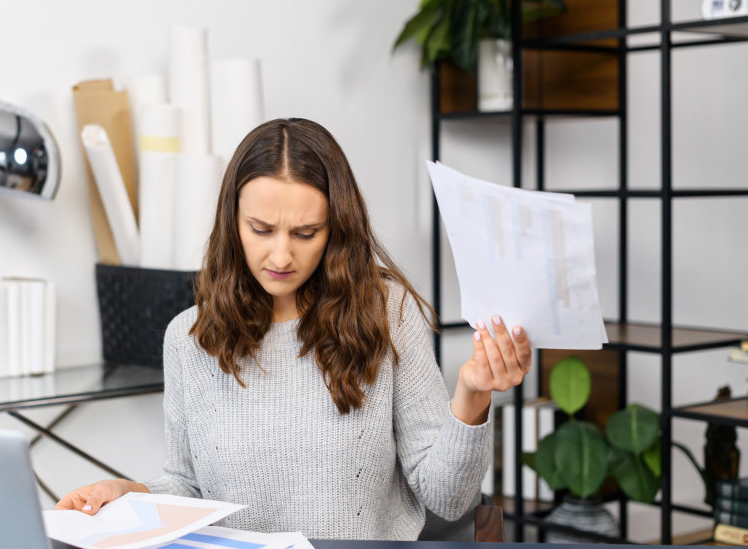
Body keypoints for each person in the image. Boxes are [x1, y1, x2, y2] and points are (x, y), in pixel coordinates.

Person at [57, 118, 532, 540]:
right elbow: (189, 486)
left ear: (337, 229)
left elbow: (446, 499)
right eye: (261, 230)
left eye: (306, 233)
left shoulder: (388, 315)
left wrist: (472, 394)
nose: (282, 257)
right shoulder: (189, 338)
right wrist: (128, 492)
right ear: (232, 223)